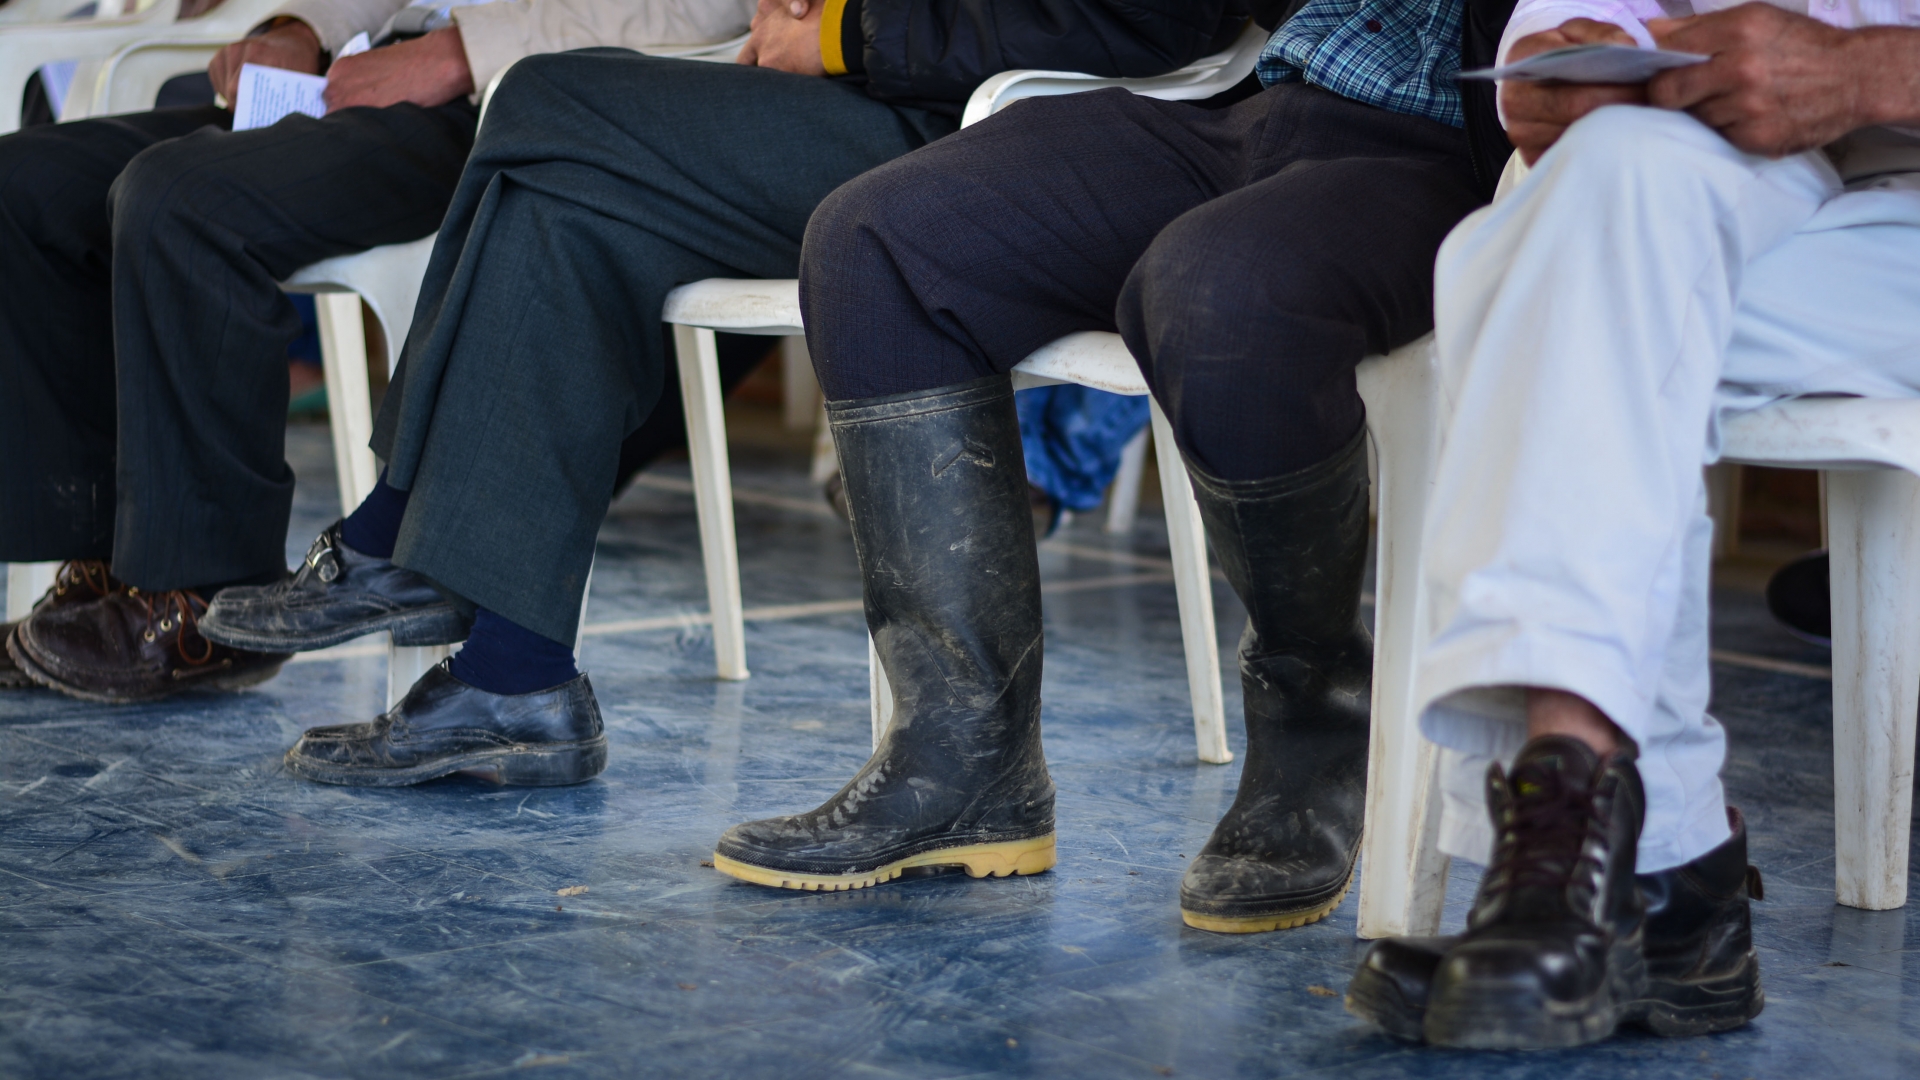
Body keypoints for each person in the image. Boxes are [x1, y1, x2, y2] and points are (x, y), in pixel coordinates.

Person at [196, 0, 1261, 785]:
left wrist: (850, 32)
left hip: (1007, 141)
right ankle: (513, 679)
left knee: (543, 100)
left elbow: (1148, 18)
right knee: (568, 207)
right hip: (898, 99)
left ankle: (397, 532)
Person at [702, 0, 1505, 930]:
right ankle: (965, 762)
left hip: (1456, 151)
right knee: (877, 240)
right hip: (1267, 104)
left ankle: (1316, 723)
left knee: (1219, 292)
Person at [1345, 0, 1920, 1051]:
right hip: (1760, 163)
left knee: (1547, 288)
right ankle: (1644, 872)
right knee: (1563, 219)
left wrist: (1881, 71)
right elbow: (1584, 25)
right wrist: (1564, 56)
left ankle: (1617, 865)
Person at [0, 0, 754, 701]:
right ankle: (112, 564)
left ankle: (201, 598)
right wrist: (301, 27)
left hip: (519, 104)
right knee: (26, 185)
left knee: (176, 201)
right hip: (367, 70)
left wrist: (457, 55)